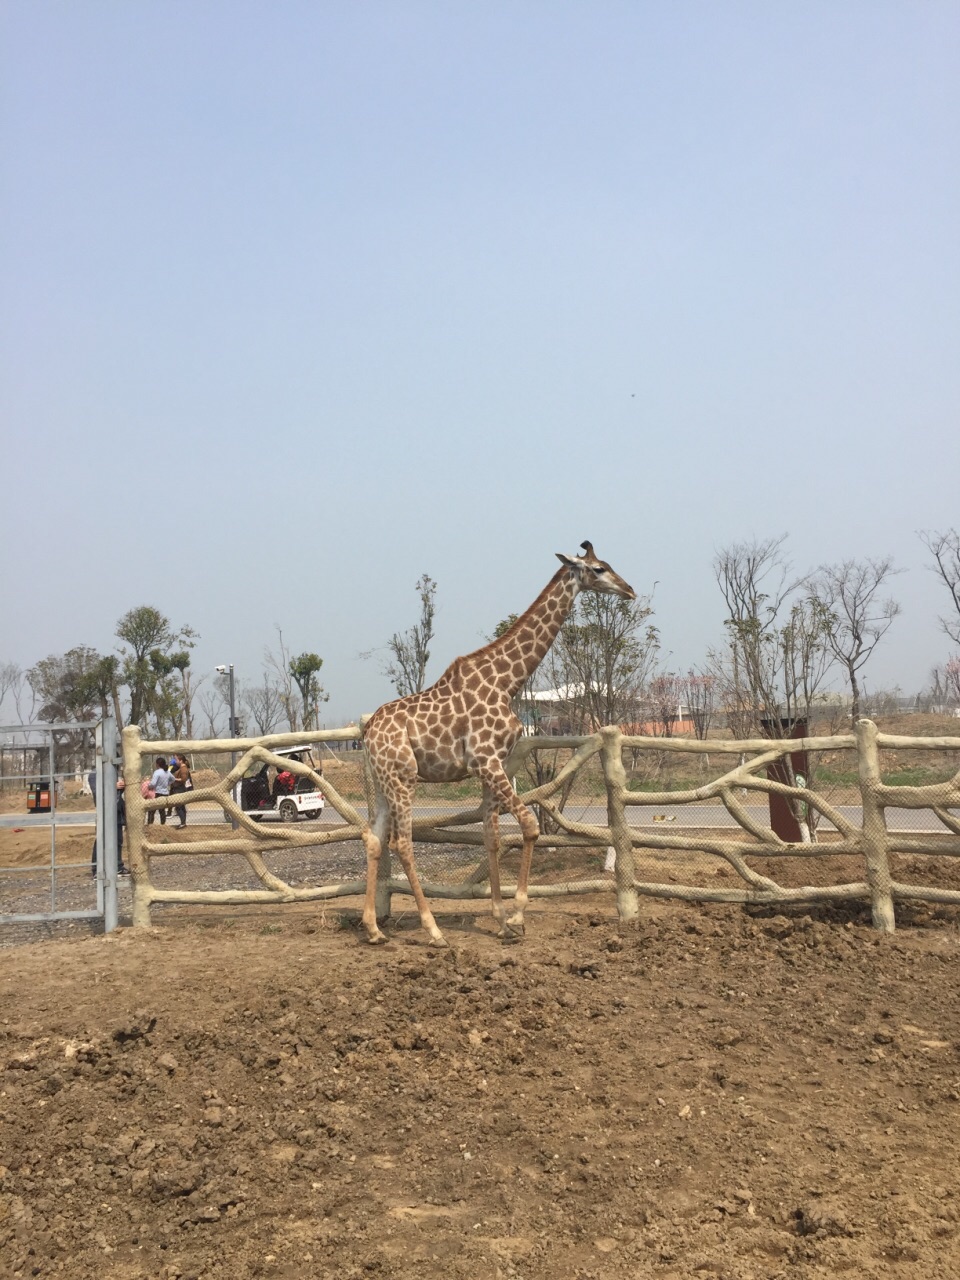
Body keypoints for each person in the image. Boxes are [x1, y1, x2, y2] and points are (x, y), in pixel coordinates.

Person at [89, 770, 129, 876]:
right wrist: (113, 786)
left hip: (117, 812)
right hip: (104, 812)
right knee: (101, 841)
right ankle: (96, 869)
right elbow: (97, 792)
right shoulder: (94, 775)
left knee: (118, 840)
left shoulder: (113, 773)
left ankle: (118, 867)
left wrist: (123, 786)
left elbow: (117, 794)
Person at [146, 756, 173, 825]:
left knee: (152, 810)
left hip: (157, 793)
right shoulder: (167, 772)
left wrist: (149, 786)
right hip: (165, 793)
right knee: (162, 810)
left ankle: (150, 824)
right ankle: (163, 825)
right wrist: (167, 784)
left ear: (157, 764)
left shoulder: (157, 772)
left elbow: (153, 783)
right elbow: (173, 779)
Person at [169, 753, 193, 828]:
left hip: (180, 789)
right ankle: (183, 822)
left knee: (179, 806)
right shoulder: (180, 767)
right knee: (180, 806)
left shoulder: (183, 768)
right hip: (177, 788)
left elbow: (183, 779)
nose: (175, 761)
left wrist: (174, 779)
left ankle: (183, 823)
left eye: (176, 760)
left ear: (181, 760)